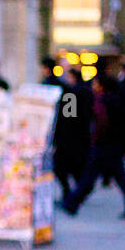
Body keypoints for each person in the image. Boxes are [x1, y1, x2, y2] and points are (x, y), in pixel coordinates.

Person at [60, 74, 125, 217]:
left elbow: (100, 121)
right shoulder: (114, 98)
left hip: (102, 143)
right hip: (113, 143)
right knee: (119, 177)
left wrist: (96, 137)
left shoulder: (97, 99)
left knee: (90, 175)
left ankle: (71, 202)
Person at [51, 65, 93, 201]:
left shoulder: (71, 94)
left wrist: (58, 135)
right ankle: (78, 192)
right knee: (77, 167)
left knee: (61, 166)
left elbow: (68, 117)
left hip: (70, 137)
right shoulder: (87, 91)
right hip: (83, 135)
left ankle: (72, 192)